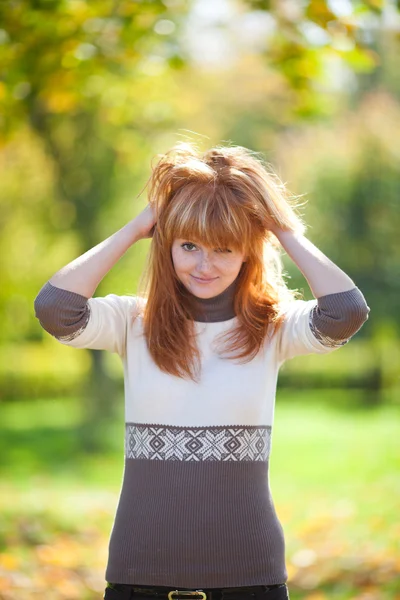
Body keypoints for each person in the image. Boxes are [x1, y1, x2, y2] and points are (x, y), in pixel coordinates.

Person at [34, 141, 370, 600]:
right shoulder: (132, 322)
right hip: (140, 575)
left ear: (248, 254)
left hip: (249, 577)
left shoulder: (272, 327)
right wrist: (138, 226)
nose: (204, 265)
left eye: (225, 248)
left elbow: (345, 312)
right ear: (166, 245)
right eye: (188, 245)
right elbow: (55, 309)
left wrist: (278, 226)